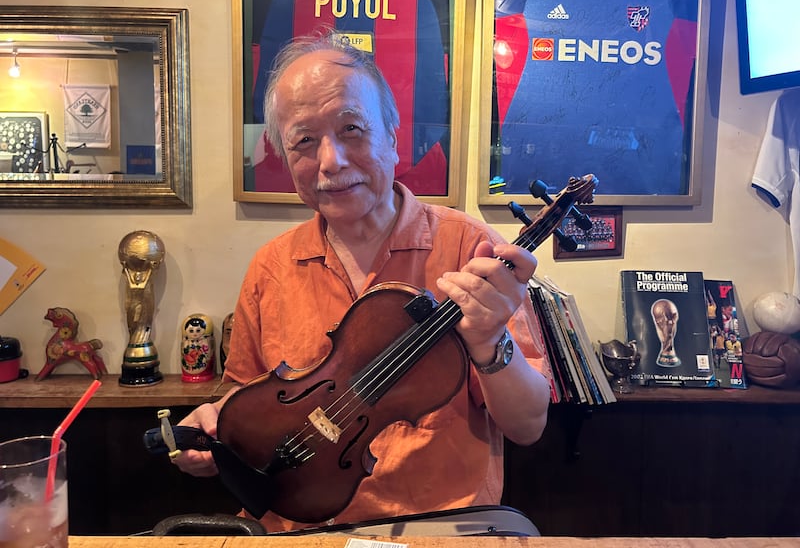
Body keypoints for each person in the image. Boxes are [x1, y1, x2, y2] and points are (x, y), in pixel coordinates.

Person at [172, 30, 551, 532]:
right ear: (285, 159)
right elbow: (245, 397)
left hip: (441, 528)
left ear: (392, 137)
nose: (331, 161)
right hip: (303, 529)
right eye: (304, 140)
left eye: (352, 129)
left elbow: (527, 426)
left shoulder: (469, 247)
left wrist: (488, 342)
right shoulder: (271, 267)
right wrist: (215, 429)